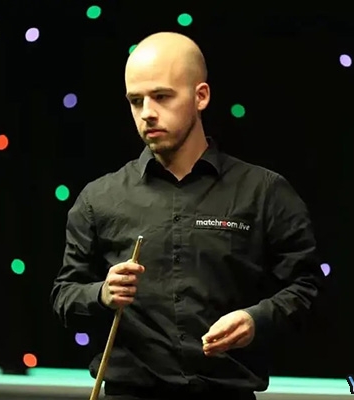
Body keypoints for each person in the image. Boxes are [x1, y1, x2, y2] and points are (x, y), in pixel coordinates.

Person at [50, 31, 324, 400]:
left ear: (201, 96)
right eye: (135, 101)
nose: (147, 112)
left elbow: (308, 289)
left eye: (162, 96)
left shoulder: (264, 192)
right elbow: (64, 294)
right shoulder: (99, 198)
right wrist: (101, 294)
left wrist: (256, 320)